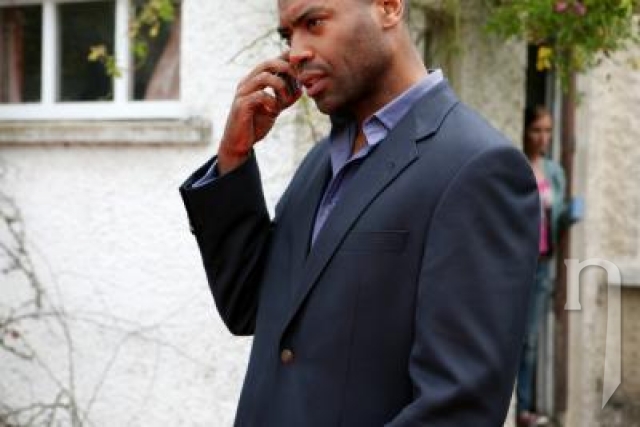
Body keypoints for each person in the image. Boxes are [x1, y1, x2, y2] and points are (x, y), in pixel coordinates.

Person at [180, 0, 540, 425]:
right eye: (288, 35)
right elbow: (250, 307)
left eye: (314, 22)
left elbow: (459, 407)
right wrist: (234, 156)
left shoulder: (476, 167)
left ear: (388, 8)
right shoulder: (321, 162)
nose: (296, 52)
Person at [516, 105, 579, 427]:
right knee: (510, 337)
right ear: (525, 130)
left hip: (542, 267)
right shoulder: (515, 165)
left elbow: (556, 216)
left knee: (530, 341)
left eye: (548, 131)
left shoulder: (554, 171)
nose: (543, 138)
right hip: (515, 267)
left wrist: (570, 213)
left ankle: (523, 410)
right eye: (537, 130)